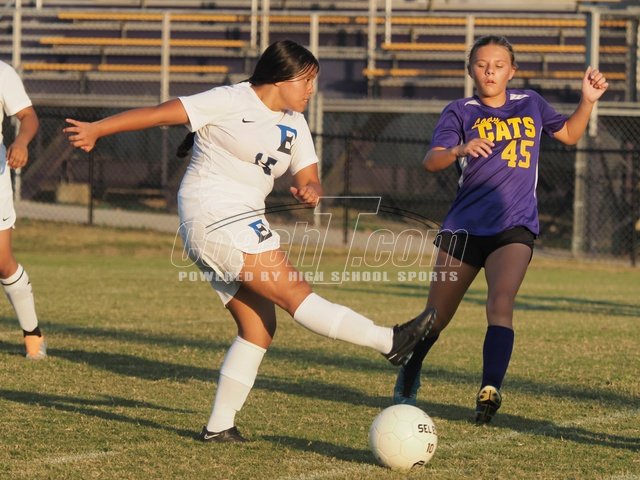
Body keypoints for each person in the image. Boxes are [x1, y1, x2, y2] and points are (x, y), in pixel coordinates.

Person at [63, 40, 435, 442]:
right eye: (307, 80)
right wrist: (98, 129)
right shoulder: (230, 99)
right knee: (295, 293)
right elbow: (159, 113)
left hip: (234, 220)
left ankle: (219, 427)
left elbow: (309, 176)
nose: (312, 89)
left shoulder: (295, 122)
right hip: (215, 214)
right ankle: (390, 341)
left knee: (258, 328)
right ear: (280, 78)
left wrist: (310, 190)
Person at [393, 35, 608, 424]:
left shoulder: (531, 103)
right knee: (435, 317)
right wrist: (458, 149)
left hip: (514, 225)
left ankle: (489, 389)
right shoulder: (460, 111)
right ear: (470, 70)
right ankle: (412, 366)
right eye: (481, 64)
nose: (489, 71)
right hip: (464, 228)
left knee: (501, 304)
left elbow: (570, 135)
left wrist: (587, 101)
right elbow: (431, 161)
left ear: (512, 70)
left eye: (498, 65)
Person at [0, 60, 45, 360]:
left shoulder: (2, 72)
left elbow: (28, 116)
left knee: (2, 262)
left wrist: (21, 141)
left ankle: (33, 334)